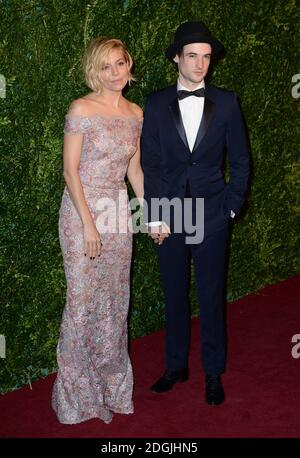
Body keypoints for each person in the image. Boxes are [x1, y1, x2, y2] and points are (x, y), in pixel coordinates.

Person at [141, 21, 250, 405]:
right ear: (176, 57)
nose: (201, 64)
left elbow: (240, 160)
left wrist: (232, 208)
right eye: (192, 56)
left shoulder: (227, 101)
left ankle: (213, 372)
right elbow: (150, 164)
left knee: (211, 295)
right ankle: (175, 366)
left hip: (213, 213)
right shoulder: (154, 104)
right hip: (168, 213)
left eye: (206, 57)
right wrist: (153, 216)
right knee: (174, 294)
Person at [52, 37, 143, 424]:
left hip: (119, 212)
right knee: (83, 301)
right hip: (81, 211)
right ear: (95, 70)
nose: (115, 73)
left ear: (128, 64)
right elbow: (70, 172)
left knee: (115, 301)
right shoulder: (81, 109)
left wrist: (152, 215)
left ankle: (112, 388)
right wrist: (89, 223)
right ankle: (76, 398)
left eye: (120, 64)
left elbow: (134, 171)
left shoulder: (136, 113)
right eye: (106, 67)